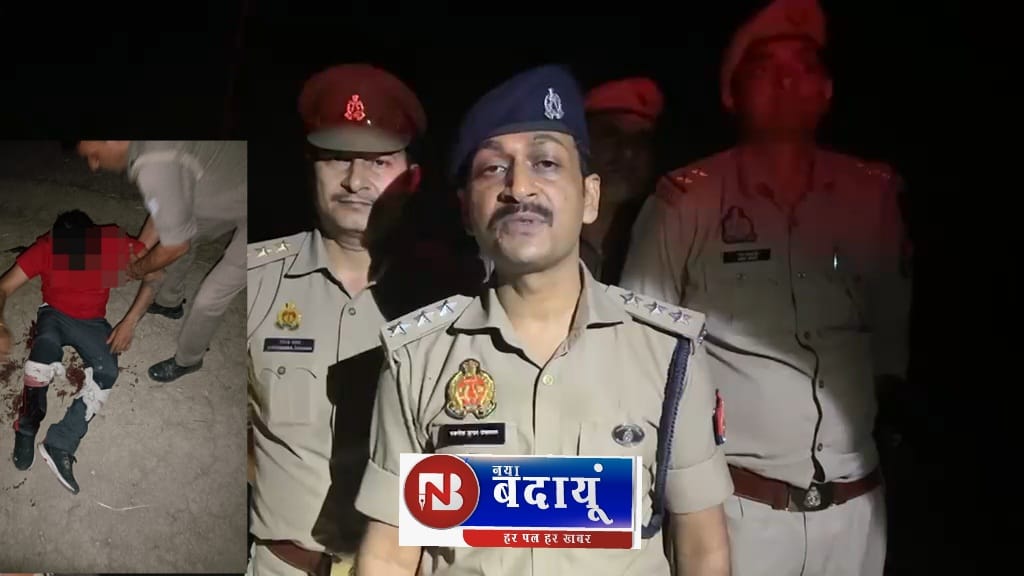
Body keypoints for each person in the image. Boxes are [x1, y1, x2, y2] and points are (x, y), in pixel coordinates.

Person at [353, 64, 733, 576]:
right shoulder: (418, 358)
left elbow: (702, 549)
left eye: (546, 163)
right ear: (465, 211)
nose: (520, 188)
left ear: (590, 197)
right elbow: (388, 554)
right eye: (493, 168)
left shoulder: (668, 352)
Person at [620, 1, 912, 574]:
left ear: (827, 90)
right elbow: (639, 346)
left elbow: (887, 336)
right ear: (732, 94)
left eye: (803, 66)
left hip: (855, 511)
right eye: (764, 68)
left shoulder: (871, 198)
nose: (785, 80)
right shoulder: (686, 201)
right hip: (738, 512)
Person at [247, 63, 444, 576]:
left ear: (412, 177)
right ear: (310, 167)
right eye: (336, 158)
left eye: (378, 162)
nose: (355, 180)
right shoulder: (253, 283)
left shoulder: (456, 297)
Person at [0, 210, 149, 494]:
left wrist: (130, 320)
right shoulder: (47, 248)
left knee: (108, 371)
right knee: (41, 359)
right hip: (54, 314)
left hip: (92, 321)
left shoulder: (111, 244)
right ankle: (27, 427)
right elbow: (3, 287)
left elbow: (155, 272)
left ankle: (60, 443)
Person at [75, 140, 247, 383]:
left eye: (94, 154)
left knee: (210, 297)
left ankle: (189, 360)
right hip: (231, 188)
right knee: (178, 238)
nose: (93, 165)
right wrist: (139, 253)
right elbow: (165, 217)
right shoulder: (147, 149)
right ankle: (169, 303)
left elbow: (174, 247)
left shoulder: (153, 164)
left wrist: (138, 271)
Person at [580, 77, 664, 285]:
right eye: (610, 135)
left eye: (639, 140)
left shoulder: (658, 232)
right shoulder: (547, 231)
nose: (627, 152)